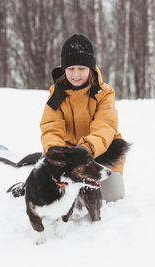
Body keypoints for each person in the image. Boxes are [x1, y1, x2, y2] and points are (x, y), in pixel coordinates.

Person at [39, 34, 126, 202]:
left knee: (112, 196)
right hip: (69, 155)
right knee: (57, 196)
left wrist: (86, 149)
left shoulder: (104, 92)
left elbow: (105, 126)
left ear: (91, 69)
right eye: (71, 69)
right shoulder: (56, 92)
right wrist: (55, 151)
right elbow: (51, 125)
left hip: (102, 151)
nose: (76, 74)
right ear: (64, 69)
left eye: (81, 69)